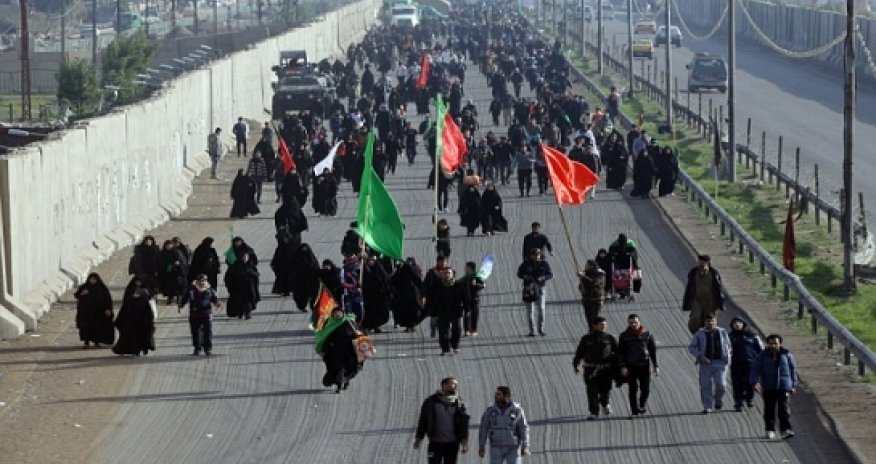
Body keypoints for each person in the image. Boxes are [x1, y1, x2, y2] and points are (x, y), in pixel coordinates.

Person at [750, 334, 797, 440]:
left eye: (775, 343)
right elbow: (755, 369)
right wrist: (754, 382)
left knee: (783, 409)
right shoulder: (762, 355)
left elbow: (793, 370)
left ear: (780, 343)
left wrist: (793, 385)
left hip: (783, 385)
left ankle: (786, 429)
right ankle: (770, 429)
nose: (773, 345)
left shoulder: (787, 355)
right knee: (769, 409)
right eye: (771, 343)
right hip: (768, 386)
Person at [414, 377, 471, 464]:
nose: (455, 386)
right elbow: (423, 421)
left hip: (452, 443)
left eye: (456, 385)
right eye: (452, 384)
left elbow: (464, 425)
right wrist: (418, 438)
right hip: (435, 443)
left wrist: (464, 442)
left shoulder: (460, 404)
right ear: (444, 385)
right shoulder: (431, 401)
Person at [573, 317, 618, 420]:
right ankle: (593, 412)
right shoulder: (586, 339)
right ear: (595, 326)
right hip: (590, 369)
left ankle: (605, 403)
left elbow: (618, 352)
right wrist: (576, 365)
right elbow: (579, 352)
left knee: (605, 389)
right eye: (601, 325)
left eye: (605, 325)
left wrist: (618, 365)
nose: (604, 327)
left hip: (606, 369)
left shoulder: (610, 338)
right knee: (591, 390)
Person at [617, 314, 659, 418]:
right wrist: (623, 366)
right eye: (631, 323)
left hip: (644, 365)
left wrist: (656, 366)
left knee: (645, 389)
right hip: (630, 366)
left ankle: (642, 403)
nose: (633, 324)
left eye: (635, 322)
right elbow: (621, 352)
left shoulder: (647, 334)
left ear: (639, 322)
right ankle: (634, 411)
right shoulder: (624, 336)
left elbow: (653, 351)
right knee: (633, 389)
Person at [688, 314, 731, 414]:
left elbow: (728, 346)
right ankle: (707, 406)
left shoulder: (722, 332)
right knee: (705, 385)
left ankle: (718, 399)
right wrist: (700, 356)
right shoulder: (700, 333)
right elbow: (692, 347)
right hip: (705, 363)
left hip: (720, 362)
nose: (711, 324)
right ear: (705, 322)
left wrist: (727, 356)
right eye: (708, 322)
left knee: (721, 385)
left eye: (713, 321)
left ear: (716, 321)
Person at [315, 308, 364, 393]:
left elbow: (359, 334)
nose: (337, 315)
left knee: (347, 368)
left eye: (339, 313)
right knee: (336, 371)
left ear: (342, 313)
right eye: (335, 314)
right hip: (336, 352)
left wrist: (359, 335)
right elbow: (326, 337)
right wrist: (325, 349)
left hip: (350, 351)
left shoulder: (349, 322)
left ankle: (342, 383)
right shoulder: (331, 324)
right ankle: (341, 383)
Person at [477, 386, 531, 463]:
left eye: (499, 394)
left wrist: (525, 446)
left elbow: (523, 428)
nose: (495, 396)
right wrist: (482, 445)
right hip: (496, 446)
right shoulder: (490, 410)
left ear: (506, 396)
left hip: (513, 447)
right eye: (496, 394)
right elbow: (484, 428)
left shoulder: (517, 410)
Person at [178, 274, 222, 356]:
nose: (202, 283)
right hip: (194, 314)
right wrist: (181, 305)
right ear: (197, 281)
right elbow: (185, 298)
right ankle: (197, 348)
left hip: (206, 314)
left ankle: (207, 349)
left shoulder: (210, 290)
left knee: (207, 332)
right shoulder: (191, 290)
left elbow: (215, 299)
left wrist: (217, 303)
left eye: (204, 281)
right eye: (200, 281)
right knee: (195, 332)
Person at [112, 276, 156, 357]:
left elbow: (148, 307)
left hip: (142, 320)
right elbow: (126, 304)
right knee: (131, 336)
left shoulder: (145, 293)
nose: (138, 284)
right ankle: (133, 350)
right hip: (130, 320)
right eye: (137, 282)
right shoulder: (130, 290)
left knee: (141, 335)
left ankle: (139, 350)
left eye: (140, 282)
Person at [682, 254, 725, 335]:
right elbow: (690, 287)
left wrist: (719, 301)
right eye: (699, 261)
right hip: (697, 300)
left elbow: (719, 289)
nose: (700, 263)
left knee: (708, 319)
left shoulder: (714, 274)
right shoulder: (693, 272)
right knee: (695, 317)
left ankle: (708, 335)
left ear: (707, 263)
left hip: (710, 301)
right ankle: (696, 334)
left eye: (702, 262)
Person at [517, 248, 553, 337]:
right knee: (530, 311)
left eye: (539, 254)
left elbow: (550, 274)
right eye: (536, 254)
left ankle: (541, 329)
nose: (537, 256)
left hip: (540, 288)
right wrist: (525, 276)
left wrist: (543, 277)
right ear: (532, 255)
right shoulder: (525, 264)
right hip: (529, 288)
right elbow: (519, 274)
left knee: (541, 308)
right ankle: (532, 331)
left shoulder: (544, 264)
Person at [729, 317, 763, 411]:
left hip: (751, 363)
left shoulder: (752, 335)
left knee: (750, 382)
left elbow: (760, 349)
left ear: (744, 324)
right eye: (735, 323)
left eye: (739, 323)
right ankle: (738, 401)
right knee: (737, 383)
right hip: (736, 364)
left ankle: (749, 399)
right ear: (732, 325)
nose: (737, 324)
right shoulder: (729, 336)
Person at [73, 273, 114, 348]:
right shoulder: (84, 287)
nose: (92, 281)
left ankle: (97, 342)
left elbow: (107, 300)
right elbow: (76, 295)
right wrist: (82, 293)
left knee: (97, 328)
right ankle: (86, 342)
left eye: (94, 279)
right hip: (86, 313)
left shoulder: (102, 288)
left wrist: (108, 309)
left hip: (98, 313)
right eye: (91, 279)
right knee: (86, 328)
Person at [434, 267, 465, 355]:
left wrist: (467, 309)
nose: (447, 274)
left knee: (457, 329)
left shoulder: (458, 285)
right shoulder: (438, 286)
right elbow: (434, 299)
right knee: (442, 330)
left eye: (448, 273)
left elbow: (465, 298)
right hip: (443, 311)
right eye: (445, 273)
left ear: (452, 274)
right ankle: (445, 348)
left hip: (456, 311)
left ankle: (455, 346)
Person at [224, 253, 260, 320]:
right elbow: (228, 277)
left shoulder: (250, 264)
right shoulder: (235, 266)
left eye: (246, 257)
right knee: (239, 300)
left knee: (248, 300)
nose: (245, 258)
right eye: (243, 256)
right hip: (238, 287)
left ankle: (247, 313)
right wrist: (230, 286)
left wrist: (252, 276)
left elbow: (256, 274)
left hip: (249, 287)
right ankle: (240, 312)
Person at [459, 261, 485, 337]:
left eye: (466, 267)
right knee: (466, 314)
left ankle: (474, 330)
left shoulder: (476, 277)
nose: (464, 268)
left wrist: (476, 285)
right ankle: (466, 330)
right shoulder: (465, 278)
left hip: (474, 299)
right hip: (466, 299)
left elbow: (483, 285)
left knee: (474, 314)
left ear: (470, 268)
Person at [158, 239, 188, 305]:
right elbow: (160, 263)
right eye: (167, 245)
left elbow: (183, 261)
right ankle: (170, 298)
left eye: (170, 245)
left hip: (177, 273)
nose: (168, 246)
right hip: (167, 273)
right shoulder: (162, 253)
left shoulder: (177, 252)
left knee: (178, 285)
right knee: (168, 286)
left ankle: (179, 298)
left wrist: (179, 264)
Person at [577, 260, 606, 325]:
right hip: (586, 299)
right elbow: (581, 285)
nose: (585, 267)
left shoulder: (600, 274)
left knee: (595, 318)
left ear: (591, 266)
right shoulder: (585, 273)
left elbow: (595, 282)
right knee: (589, 319)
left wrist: (583, 277)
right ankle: (591, 331)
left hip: (596, 299)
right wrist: (581, 288)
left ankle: (595, 331)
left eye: (587, 265)